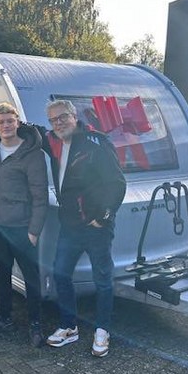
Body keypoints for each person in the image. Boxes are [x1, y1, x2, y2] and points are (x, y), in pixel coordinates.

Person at [38, 99, 126, 357]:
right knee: (61, 274)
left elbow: (117, 183)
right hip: (70, 225)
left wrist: (104, 217)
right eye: (53, 120)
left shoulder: (96, 143)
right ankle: (69, 327)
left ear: (74, 116)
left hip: (95, 225)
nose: (58, 123)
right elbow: (27, 129)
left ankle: (102, 330)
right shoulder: (52, 140)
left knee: (102, 280)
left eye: (63, 117)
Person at [0, 102, 48, 347]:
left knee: (31, 278)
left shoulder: (32, 154)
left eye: (10, 121)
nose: (6, 125)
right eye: (1, 122)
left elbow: (40, 195)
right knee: (2, 275)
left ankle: (35, 324)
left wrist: (34, 230)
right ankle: (4, 318)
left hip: (23, 228)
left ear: (18, 122)